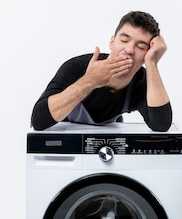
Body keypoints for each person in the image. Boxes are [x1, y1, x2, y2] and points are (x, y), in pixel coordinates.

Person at [30, 11, 172, 131]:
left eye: (141, 46)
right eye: (124, 40)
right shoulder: (75, 68)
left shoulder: (141, 81)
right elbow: (38, 120)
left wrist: (152, 63)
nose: (129, 50)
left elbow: (161, 125)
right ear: (112, 42)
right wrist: (90, 81)